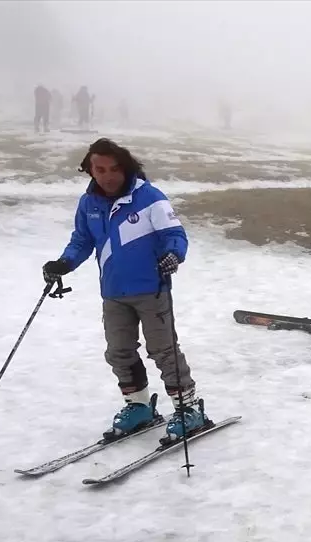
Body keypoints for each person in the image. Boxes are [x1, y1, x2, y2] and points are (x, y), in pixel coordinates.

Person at [41, 138, 209, 443]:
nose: (107, 176)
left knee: (164, 350)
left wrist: (173, 254)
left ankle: (189, 409)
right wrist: (63, 263)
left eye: (114, 168)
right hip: (113, 292)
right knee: (119, 351)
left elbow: (175, 234)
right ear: (90, 170)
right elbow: (81, 241)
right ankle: (139, 406)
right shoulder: (88, 203)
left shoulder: (149, 198)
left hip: (151, 289)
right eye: (100, 169)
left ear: (125, 167)